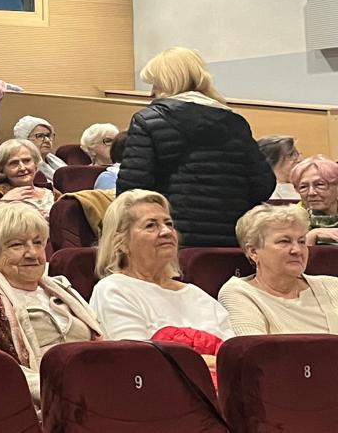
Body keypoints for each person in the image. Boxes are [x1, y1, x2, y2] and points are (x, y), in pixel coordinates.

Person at [0, 202, 104, 405]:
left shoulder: (60, 286)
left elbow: (104, 343)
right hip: (38, 403)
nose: (33, 253)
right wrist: (66, 390)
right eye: (17, 245)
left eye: (38, 243)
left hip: (95, 392)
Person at [119, 48, 275, 247]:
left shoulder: (147, 120)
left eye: (155, 84)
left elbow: (132, 190)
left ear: (167, 83)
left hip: (171, 239)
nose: (151, 93)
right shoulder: (235, 123)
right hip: (231, 240)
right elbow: (263, 185)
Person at [90, 189, 234, 345]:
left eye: (169, 223)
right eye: (151, 225)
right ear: (121, 243)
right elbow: (135, 355)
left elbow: (235, 353)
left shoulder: (197, 295)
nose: (166, 231)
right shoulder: (114, 290)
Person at [218, 203, 338, 336]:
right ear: (253, 251)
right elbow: (254, 347)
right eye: (284, 241)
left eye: (301, 241)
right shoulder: (239, 293)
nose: (297, 250)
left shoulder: (332, 286)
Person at [0, 139, 61, 217]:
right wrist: (4, 202)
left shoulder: (54, 194)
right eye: (14, 163)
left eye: (27, 161)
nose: (22, 168)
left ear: (35, 164)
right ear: (2, 168)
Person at [293, 156, 338, 241]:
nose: (311, 193)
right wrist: (311, 236)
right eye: (303, 187)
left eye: (319, 184)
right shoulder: (290, 219)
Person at [259, 136, 303, 201]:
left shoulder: (307, 189)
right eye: (291, 155)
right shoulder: (262, 194)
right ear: (270, 161)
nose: (299, 160)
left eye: (297, 154)